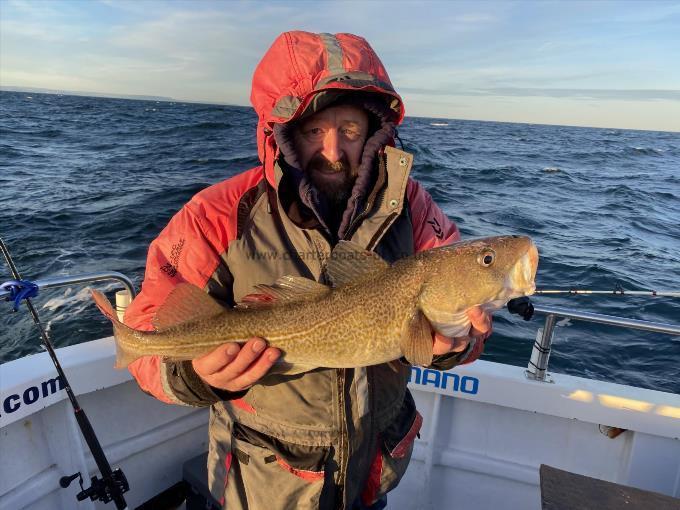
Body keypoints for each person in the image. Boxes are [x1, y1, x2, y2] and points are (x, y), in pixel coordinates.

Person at [124, 31, 492, 510]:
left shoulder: (415, 209)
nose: (334, 151)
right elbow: (145, 329)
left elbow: (461, 315)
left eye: (351, 130)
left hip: (369, 475)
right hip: (258, 486)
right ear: (282, 134)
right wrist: (196, 375)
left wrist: (453, 345)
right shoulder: (216, 214)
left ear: (376, 133)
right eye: (314, 130)